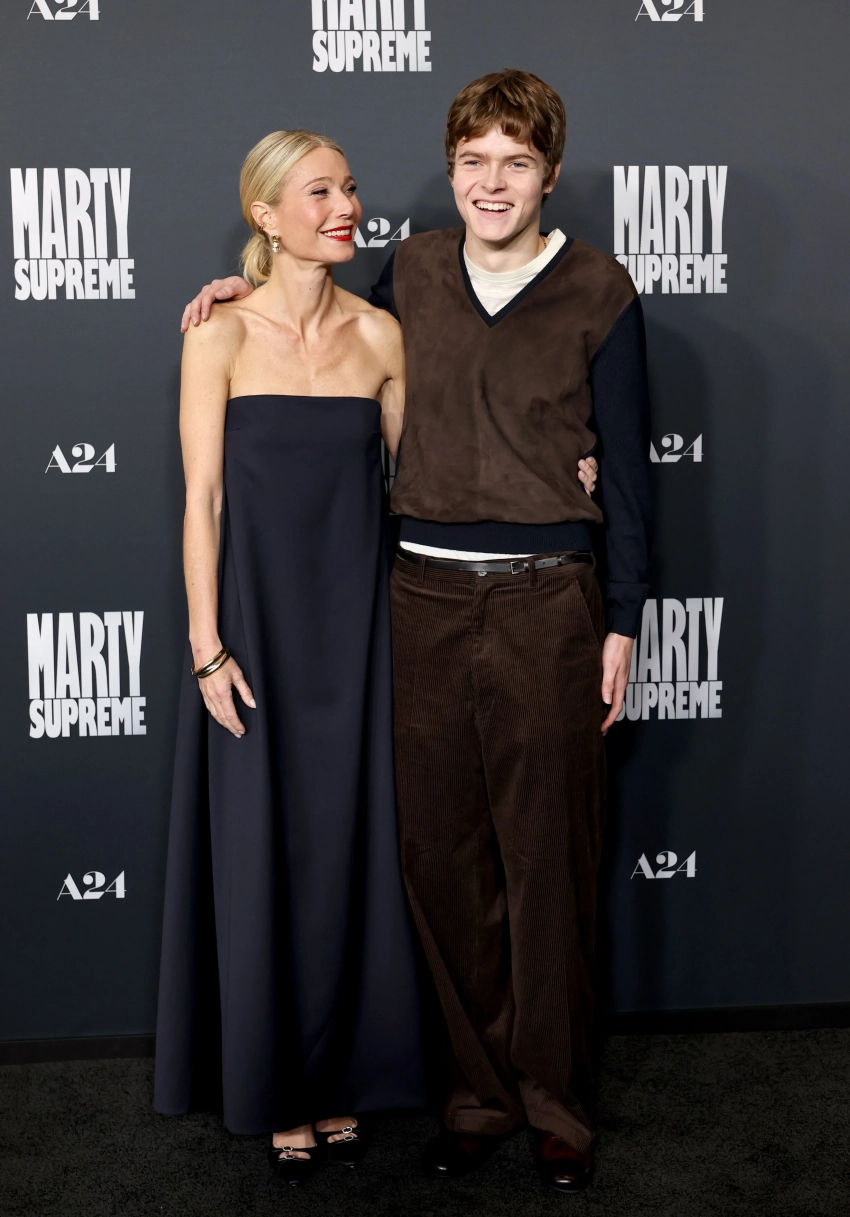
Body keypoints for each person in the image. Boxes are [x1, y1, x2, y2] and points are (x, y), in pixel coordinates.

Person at [181, 68, 638, 1196]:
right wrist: (232, 287)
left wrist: (623, 614)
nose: (493, 182)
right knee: (440, 866)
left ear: (549, 173)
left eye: (516, 162)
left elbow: (625, 468)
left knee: (547, 866)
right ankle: (477, 1098)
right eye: (473, 161)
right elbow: (307, 312)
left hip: (546, 600)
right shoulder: (411, 275)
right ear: (450, 171)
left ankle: (557, 1107)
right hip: (421, 604)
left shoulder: (599, 289)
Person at [154, 128, 428, 1187]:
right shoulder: (217, 333)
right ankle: (276, 1088)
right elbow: (203, 501)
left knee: (352, 849)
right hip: (255, 634)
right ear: (265, 215)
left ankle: (344, 1070)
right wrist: (206, 647)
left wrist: (562, 461)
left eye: (349, 188)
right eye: (319, 192)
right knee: (265, 853)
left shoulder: (382, 335)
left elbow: (422, 488)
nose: (346, 206)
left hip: (362, 632)